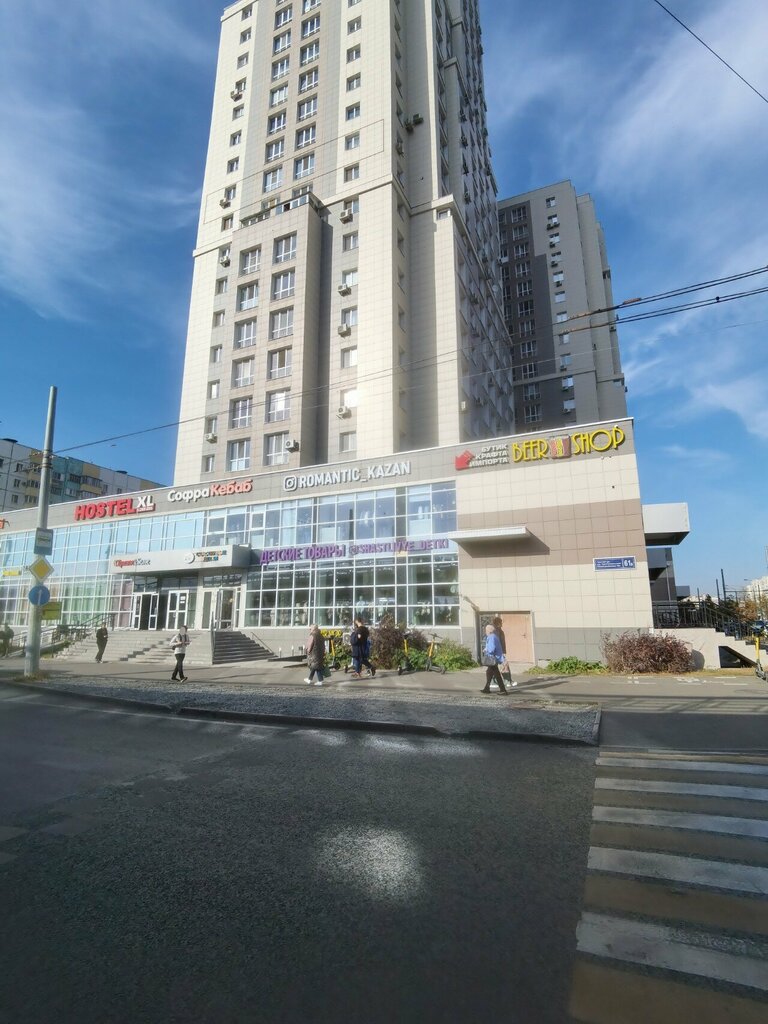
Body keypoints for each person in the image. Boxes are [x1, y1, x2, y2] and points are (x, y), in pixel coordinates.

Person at [481, 624, 509, 694]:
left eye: (486, 630)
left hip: (492, 658)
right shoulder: (494, 636)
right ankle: (487, 688)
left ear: (489, 631)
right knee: (489, 672)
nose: (485, 631)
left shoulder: (491, 637)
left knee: (496, 674)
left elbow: (491, 649)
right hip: (494, 658)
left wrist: (486, 650)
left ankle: (503, 690)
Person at [492, 615, 517, 689]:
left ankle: (500, 681)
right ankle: (507, 681)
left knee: (498, 667)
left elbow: (502, 642)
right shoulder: (495, 631)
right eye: (501, 622)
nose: (502, 623)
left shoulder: (499, 630)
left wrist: (504, 651)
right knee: (504, 666)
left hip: (500, 652)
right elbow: (496, 642)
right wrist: (499, 652)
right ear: (498, 623)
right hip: (497, 652)